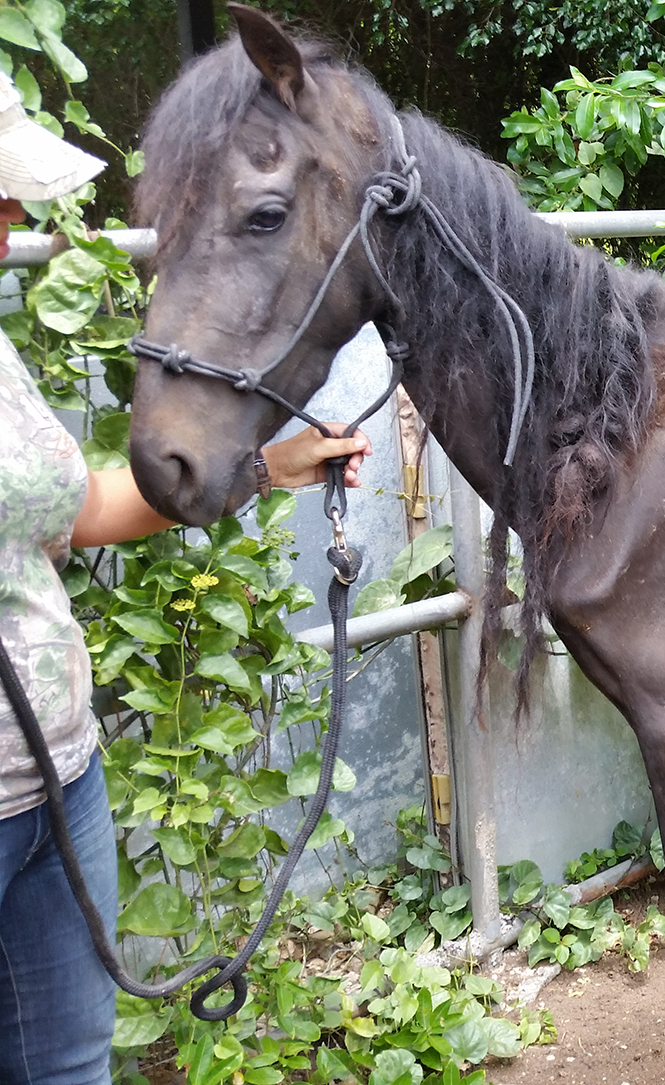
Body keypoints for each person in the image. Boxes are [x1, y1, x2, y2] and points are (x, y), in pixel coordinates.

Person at [0, 71, 370, 1083]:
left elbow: (80, 513)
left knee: (69, 1060)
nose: (15, 217)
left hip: (53, 781)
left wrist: (266, 467)